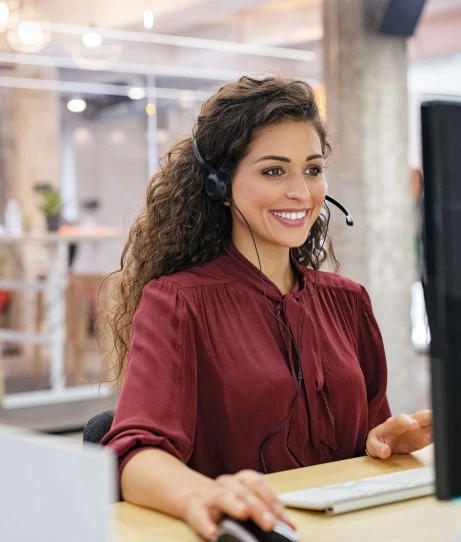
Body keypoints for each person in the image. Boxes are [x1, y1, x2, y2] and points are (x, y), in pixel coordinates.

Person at [101, 75, 432, 541]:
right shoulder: (177, 302)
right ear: (220, 183)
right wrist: (202, 495)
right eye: (274, 171)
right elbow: (132, 456)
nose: (301, 192)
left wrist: (382, 441)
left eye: (313, 169)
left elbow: (367, 432)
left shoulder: (347, 301)